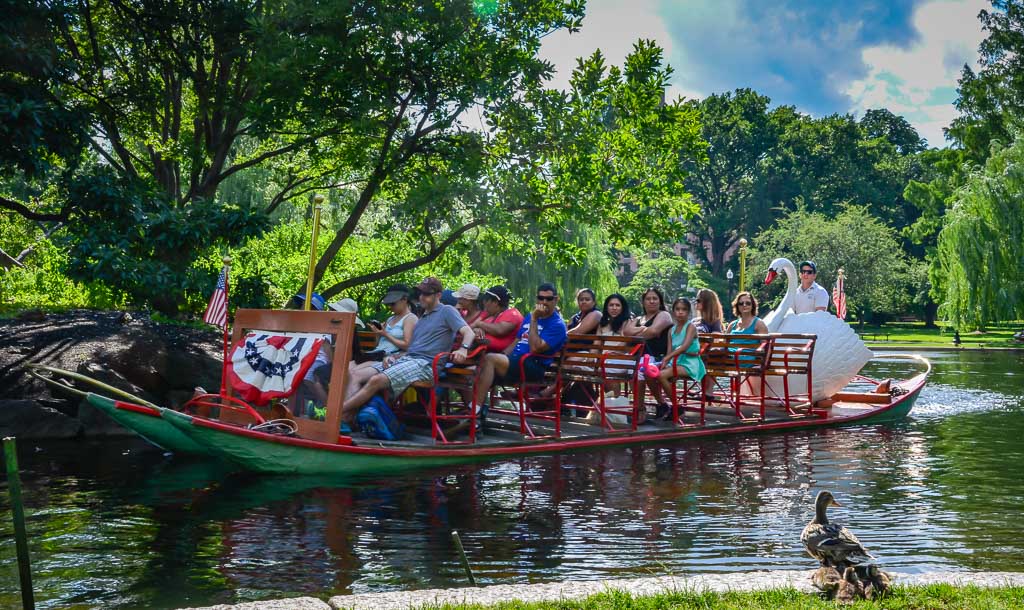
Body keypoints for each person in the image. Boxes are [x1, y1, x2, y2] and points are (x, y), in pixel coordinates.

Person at [342, 277, 475, 429]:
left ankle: (336, 413)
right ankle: (347, 420)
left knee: (376, 380)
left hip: (426, 365)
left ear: (438, 295)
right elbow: (411, 349)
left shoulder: (447, 311)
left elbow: (468, 332)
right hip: (409, 359)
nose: (421, 297)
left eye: (427, 294)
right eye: (420, 293)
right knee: (356, 375)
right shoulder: (422, 317)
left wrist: (463, 348)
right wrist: (393, 356)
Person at [472, 283, 567, 409]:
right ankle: (476, 413)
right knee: (477, 366)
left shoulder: (557, 325)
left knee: (490, 359)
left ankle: (474, 410)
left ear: (556, 300)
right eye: (540, 298)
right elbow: (516, 341)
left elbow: (535, 348)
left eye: (549, 299)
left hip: (534, 365)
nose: (544, 302)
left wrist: (534, 319)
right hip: (517, 361)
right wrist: (503, 355)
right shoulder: (528, 317)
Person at [623, 287, 673, 418]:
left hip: (659, 357)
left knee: (640, 369)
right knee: (631, 368)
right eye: (648, 299)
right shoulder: (639, 318)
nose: (651, 301)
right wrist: (645, 328)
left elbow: (654, 332)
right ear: (643, 302)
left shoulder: (663, 315)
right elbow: (627, 333)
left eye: (655, 298)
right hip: (640, 356)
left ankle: (640, 410)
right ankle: (650, 406)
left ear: (660, 301)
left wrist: (639, 331)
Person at [657, 298, 706, 420]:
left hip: (691, 363)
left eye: (684, 309)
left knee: (661, 375)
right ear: (673, 312)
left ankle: (676, 407)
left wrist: (668, 358)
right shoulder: (671, 330)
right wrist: (665, 362)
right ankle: (663, 404)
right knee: (654, 373)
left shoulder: (691, 327)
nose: (680, 312)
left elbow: (684, 347)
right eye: (677, 309)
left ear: (689, 312)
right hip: (676, 362)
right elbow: (669, 350)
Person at [350, 284, 417, 369]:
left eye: (393, 304)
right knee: (345, 368)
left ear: (404, 299)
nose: (390, 307)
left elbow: (407, 345)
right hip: (375, 354)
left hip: (388, 358)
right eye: (388, 304)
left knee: (353, 372)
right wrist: (378, 333)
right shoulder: (390, 319)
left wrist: (385, 334)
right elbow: (378, 345)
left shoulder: (410, 318)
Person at [471, 285, 523, 352]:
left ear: (495, 302)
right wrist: (476, 330)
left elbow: (500, 330)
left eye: (486, 300)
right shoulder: (492, 316)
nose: (484, 303)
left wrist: (479, 324)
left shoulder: (513, 314)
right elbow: (472, 328)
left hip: (500, 357)